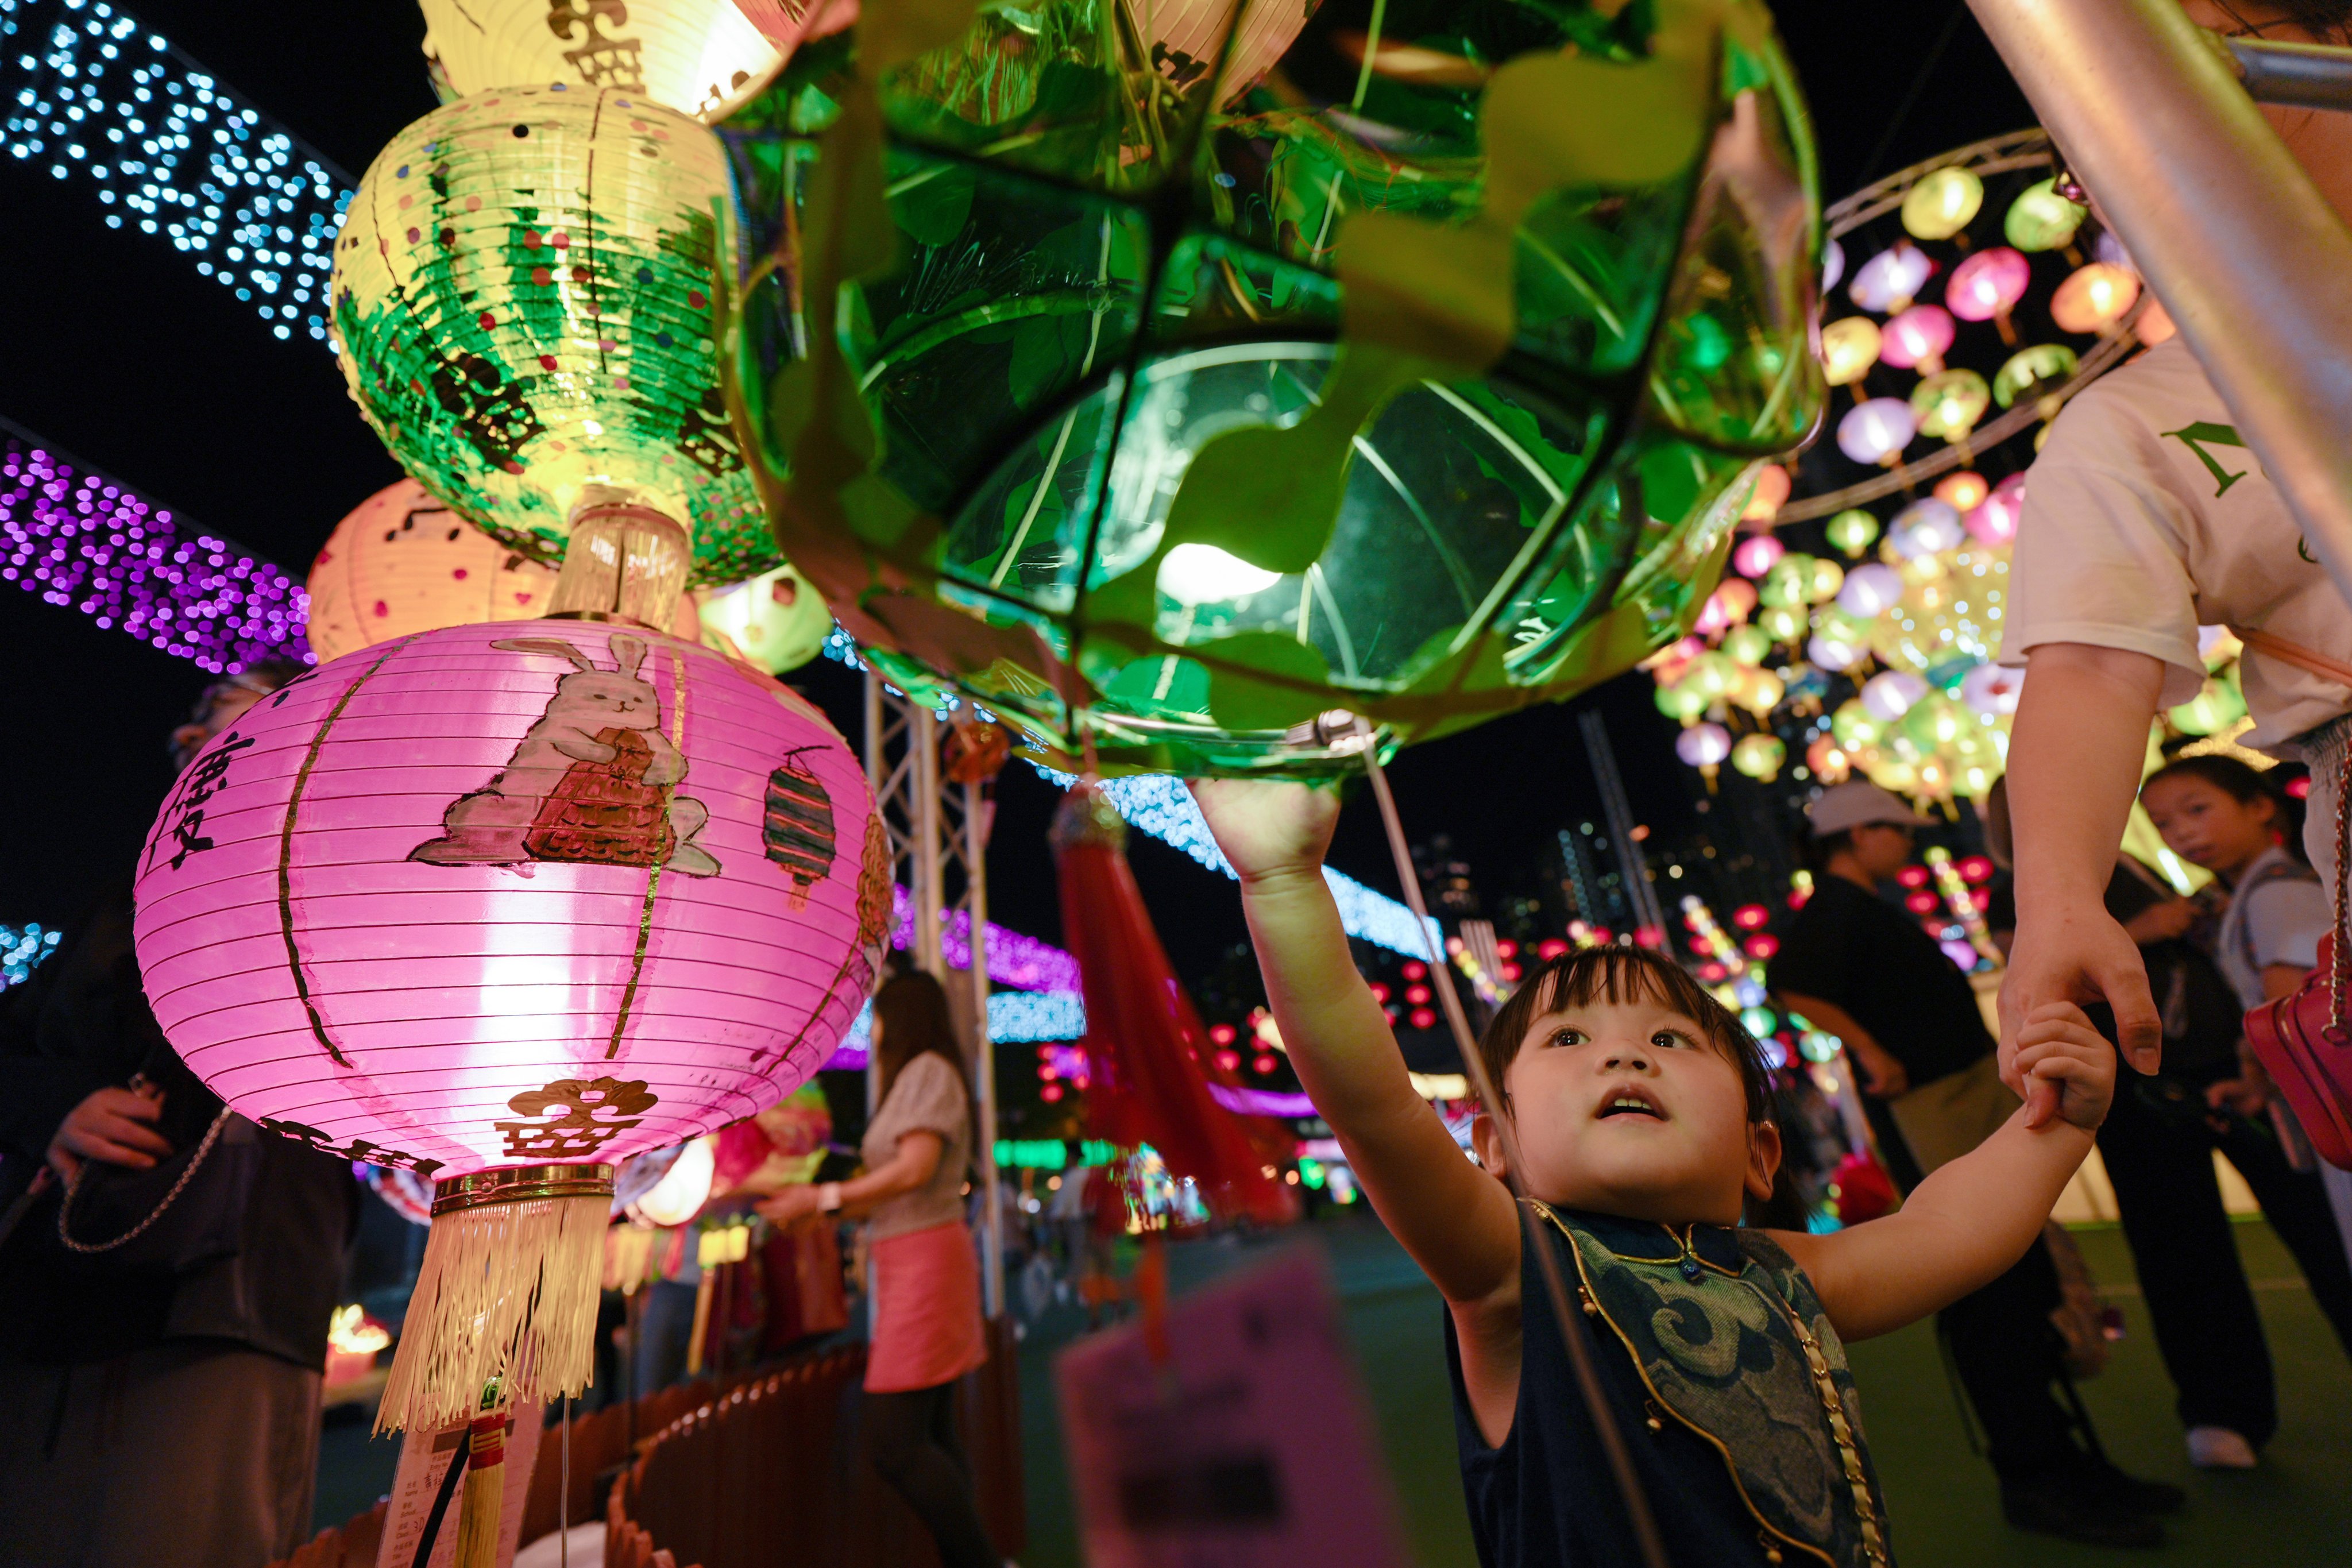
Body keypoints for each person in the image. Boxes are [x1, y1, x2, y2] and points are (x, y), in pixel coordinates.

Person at [1193, 777, 2123, 1568]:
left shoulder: (1786, 1274)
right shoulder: (1516, 1272)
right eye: (1567, 1039)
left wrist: (2059, 1124)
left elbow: (1945, 1229)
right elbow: (1374, 1107)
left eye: (1671, 1040)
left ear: (1762, 1153)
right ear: (1495, 1150)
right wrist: (1281, 881)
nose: (1624, 1058)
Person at [1999, 0, 2352, 1282]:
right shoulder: (2134, 425)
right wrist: (2051, 899)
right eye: (2086, 118)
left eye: (2209, 56)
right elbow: (2090, 664)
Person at [0, 661, 361, 1568]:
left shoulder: (352, 890)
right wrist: (58, 1103)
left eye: (236, 723)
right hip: (55, 1282)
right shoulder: (122, 896)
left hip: (227, 1296)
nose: (195, 740)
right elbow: (16, 1044)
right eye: (195, 724)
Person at [1768, 781, 2175, 1546]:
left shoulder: (1858, 904)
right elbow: (1790, 982)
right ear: (1856, 836)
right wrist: (1873, 1051)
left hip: (1956, 1098)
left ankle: (2067, 1462)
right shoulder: (1834, 906)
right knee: (1989, 1284)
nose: (1905, 841)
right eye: (1892, 829)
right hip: (1933, 1106)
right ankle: (2036, 1474)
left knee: (2015, 1272)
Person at [2122, 756, 2352, 1463]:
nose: (2184, 834)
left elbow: (2298, 1016)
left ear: (2260, 806)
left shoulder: (2275, 892)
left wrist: (2261, 1070)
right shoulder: (2252, 888)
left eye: (2199, 809)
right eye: (2165, 823)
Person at [759, 970, 1001, 1568]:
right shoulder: (919, 1078)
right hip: (913, 1256)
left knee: (895, 1442)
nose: (873, 1029)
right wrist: (818, 1211)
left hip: (925, 1259)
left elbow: (915, 1170)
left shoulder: (927, 1073)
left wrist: (823, 1202)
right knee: (931, 1432)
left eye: (878, 1015)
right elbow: (895, 1184)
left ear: (900, 1016)